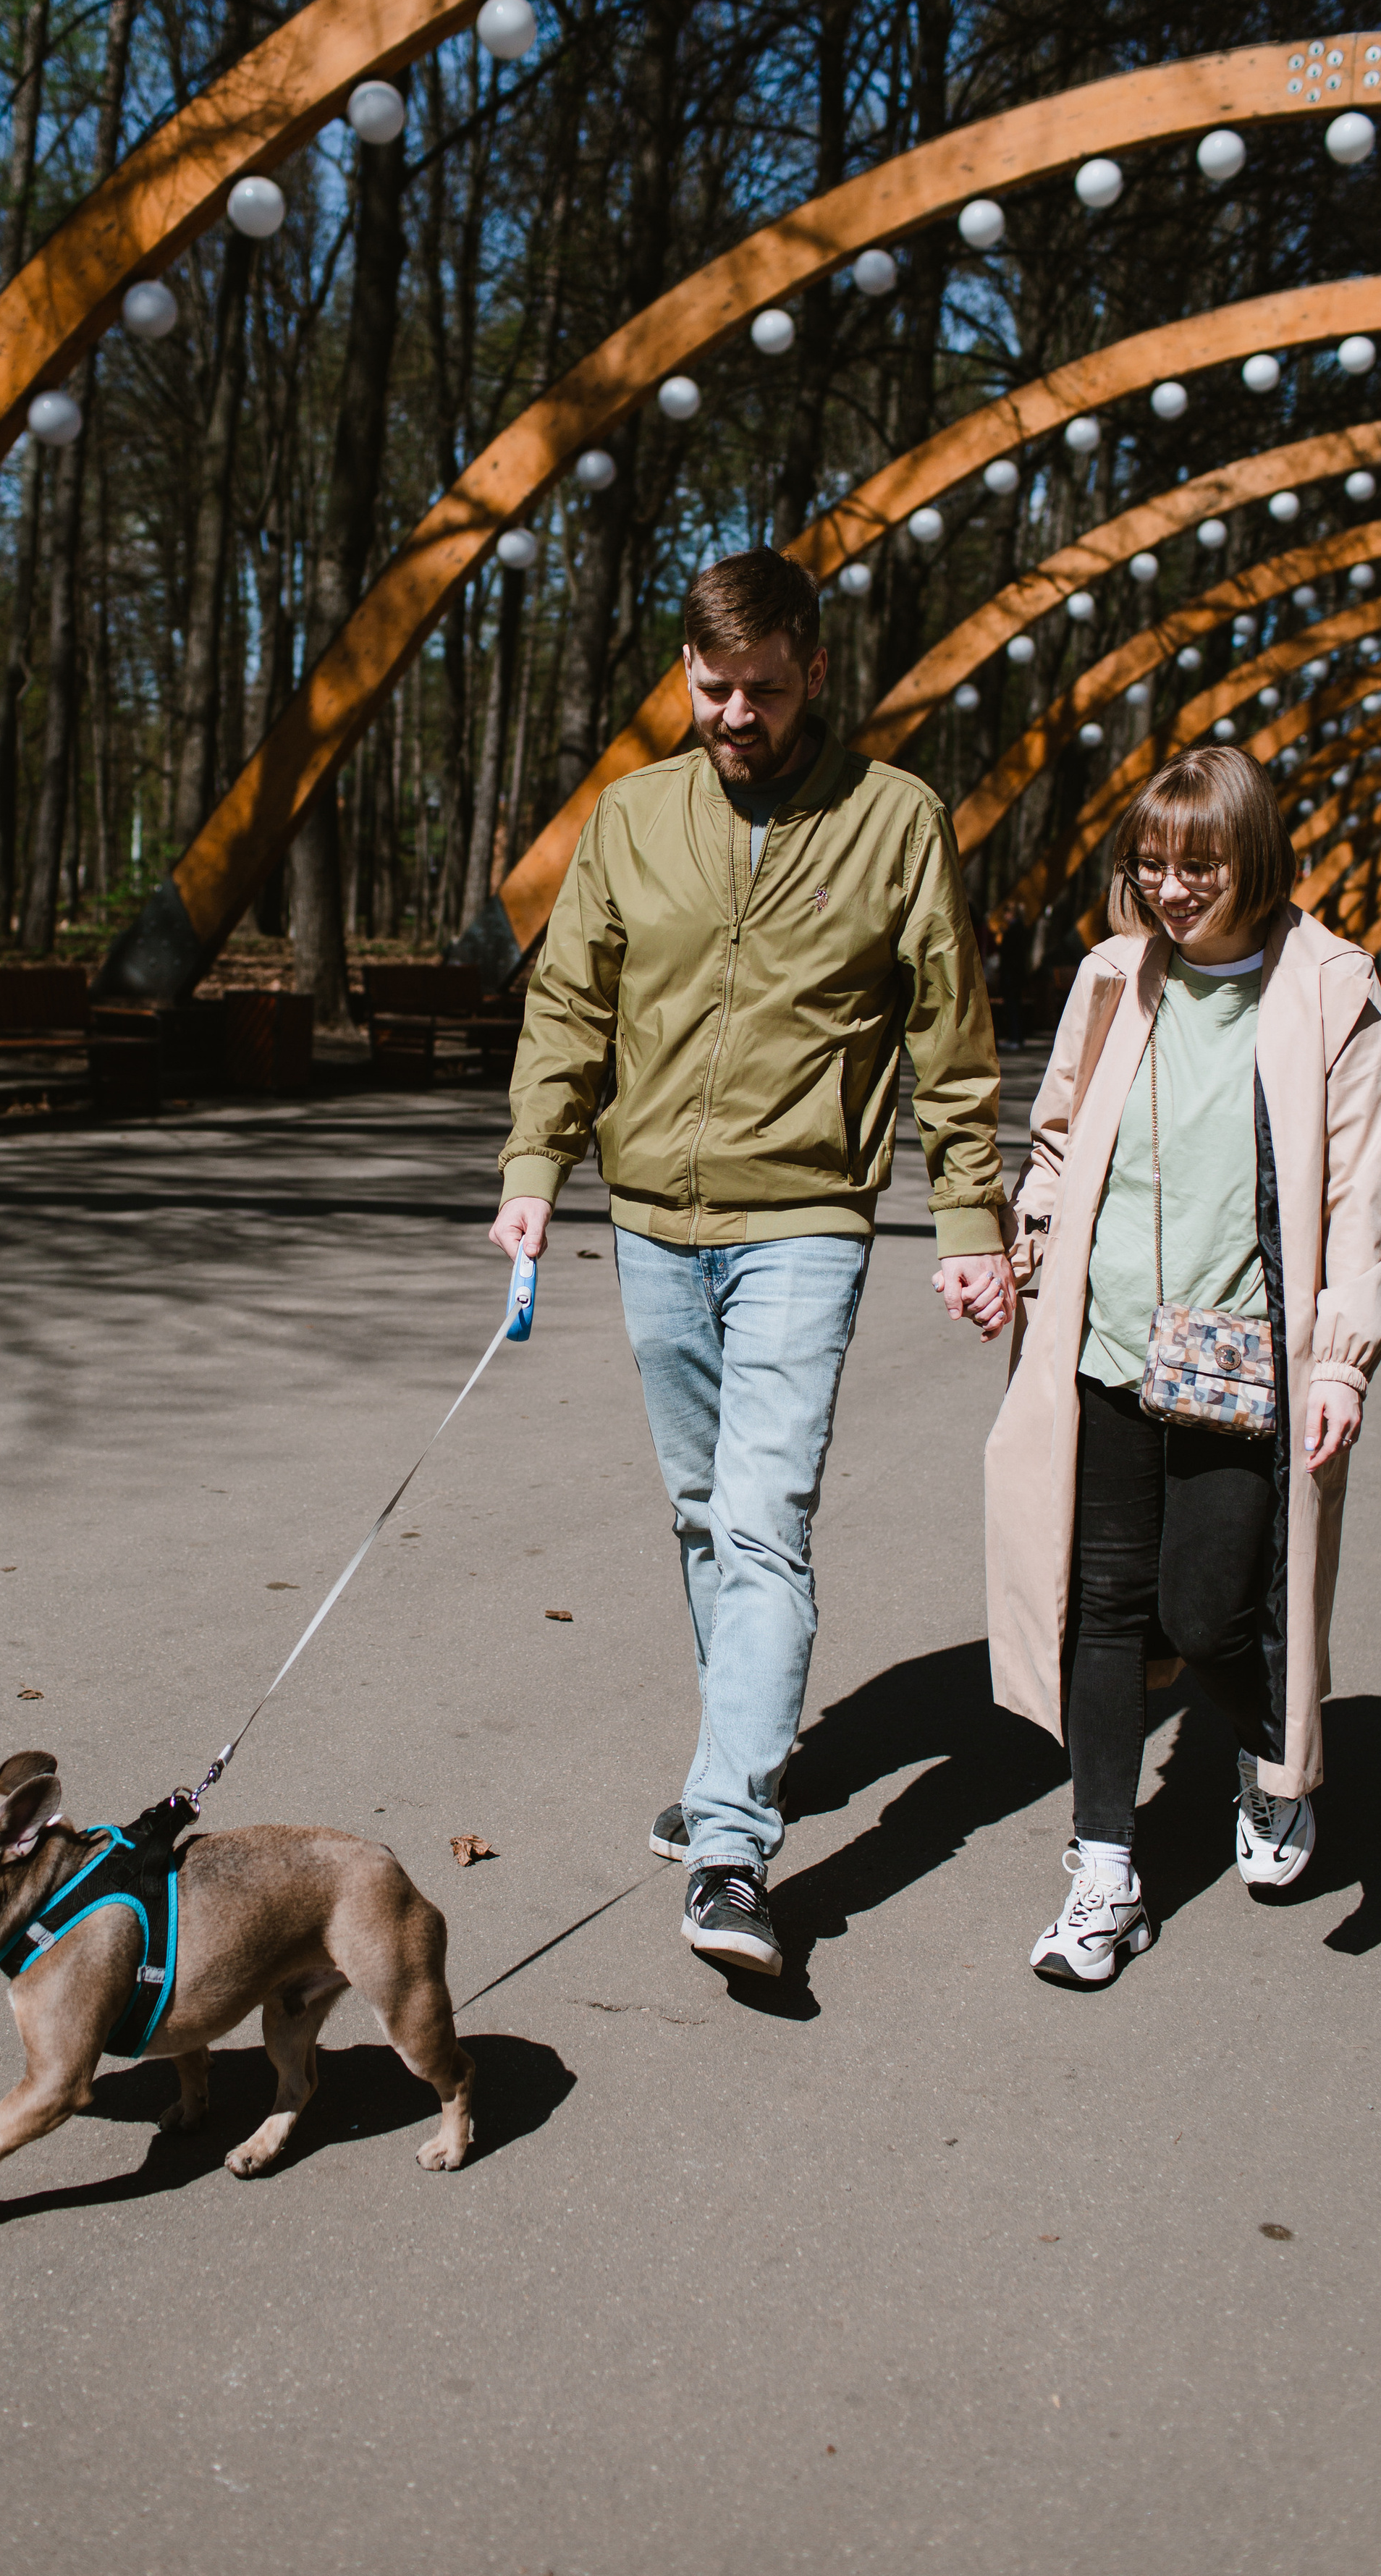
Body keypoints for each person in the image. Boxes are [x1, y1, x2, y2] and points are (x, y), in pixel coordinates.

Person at [490, 549, 1015, 1978]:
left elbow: (948, 1039)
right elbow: (569, 1008)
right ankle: (744, 1752)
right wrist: (534, 1171)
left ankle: (729, 1844)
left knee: (764, 1518)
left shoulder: (893, 819)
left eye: (766, 691)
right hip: (651, 1223)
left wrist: (970, 1223)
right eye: (715, 689)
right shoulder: (632, 817)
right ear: (685, 673)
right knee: (700, 1517)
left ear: (816, 672)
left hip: (804, 1222)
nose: (737, 716)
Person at [984, 747, 1381, 1987]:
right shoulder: (1115, 976)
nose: (1170, 890)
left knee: (1209, 1611)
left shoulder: (1329, 986)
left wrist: (1341, 1362)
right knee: (1104, 1609)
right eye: (1151, 865)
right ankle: (1105, 1869)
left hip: (1242, 1361)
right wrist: (1025, 1245)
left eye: (1198, 866)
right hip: (1106, 1344)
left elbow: (1359, 1191)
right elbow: (1058, 1139)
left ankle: (1273, 1755)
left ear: (1253, 858)